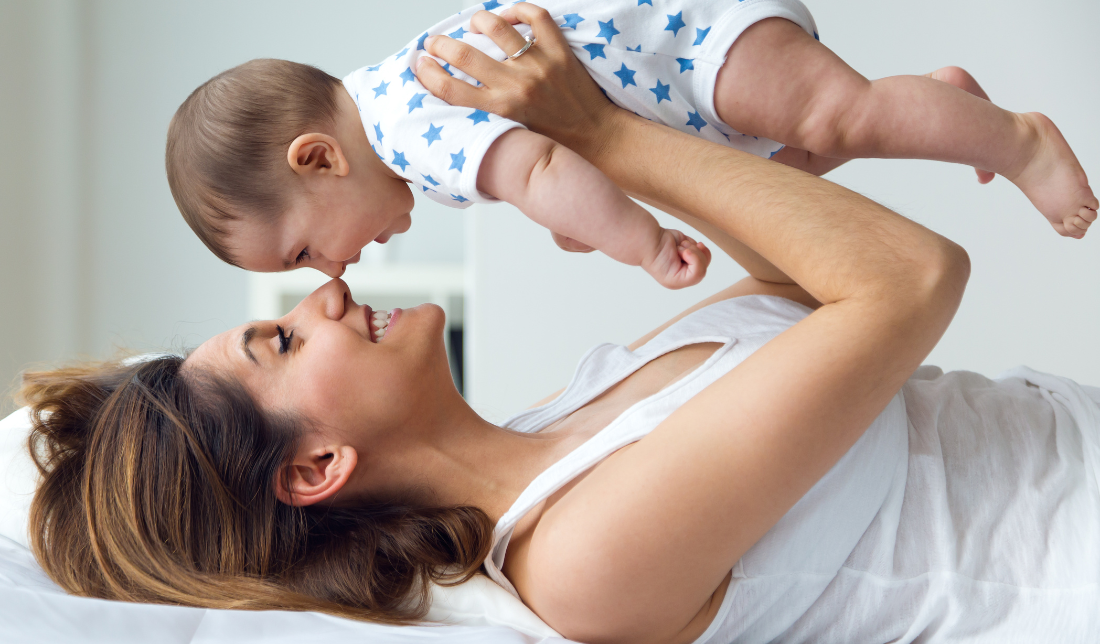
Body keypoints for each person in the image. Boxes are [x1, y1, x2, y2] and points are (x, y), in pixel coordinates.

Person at [20, 5, 1100, 643]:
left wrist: (825, 114)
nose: (326, 293)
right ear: (315, 468)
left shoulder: (574, 400)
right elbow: (908, 279)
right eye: (285, 340)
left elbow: (810, 275)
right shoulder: (579, 558)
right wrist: (599, 135)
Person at [166, 0, 1095, 290]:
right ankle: (936, 110)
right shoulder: (398, 121)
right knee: (778, 184)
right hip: (669, 82)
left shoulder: (404, 132)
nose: (330, 273)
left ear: (315, 159)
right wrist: (576, 213)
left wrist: (637, 242)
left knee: (829, 119)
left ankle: (1020, 143)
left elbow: (544, 166)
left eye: (301, 251)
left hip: (683, 41)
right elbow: (544, 164)